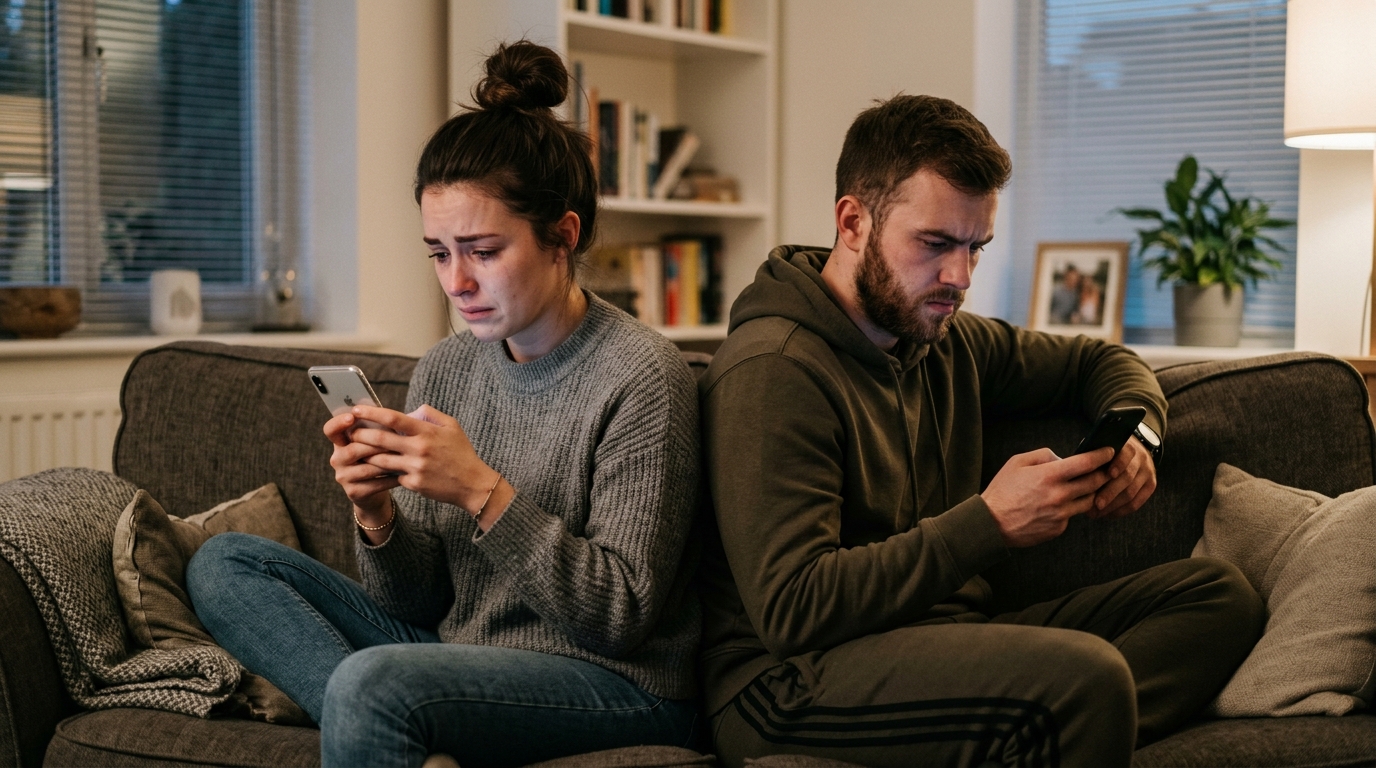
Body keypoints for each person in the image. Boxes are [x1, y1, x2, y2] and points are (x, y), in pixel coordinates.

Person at [696, 94, 1264, 768]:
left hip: (944, 643)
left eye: (976, 248)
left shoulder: (942, 338)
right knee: (1086, 679)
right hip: (785, 685)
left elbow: (1097, 360)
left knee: (1220, 599)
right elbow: (793, 609)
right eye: (935, 244)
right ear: (853, 222)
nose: (959, 277)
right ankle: (1062, 722)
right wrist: (989, 522)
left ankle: (1050, 732)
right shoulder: (774, 368)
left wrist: (1141, 433)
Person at [186, 41, 702, 768]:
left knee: (374, 684)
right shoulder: (447, 367)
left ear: (563, 236)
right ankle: (395, 732)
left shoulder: (643, 375)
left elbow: (619, 616)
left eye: (482, 251)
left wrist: (481, 492)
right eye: (438, 252)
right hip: (459, 656)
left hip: (615, 683)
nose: (456, 281)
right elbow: (417, 607)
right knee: (224, 563)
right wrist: (377, 515)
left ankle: (380, 716)